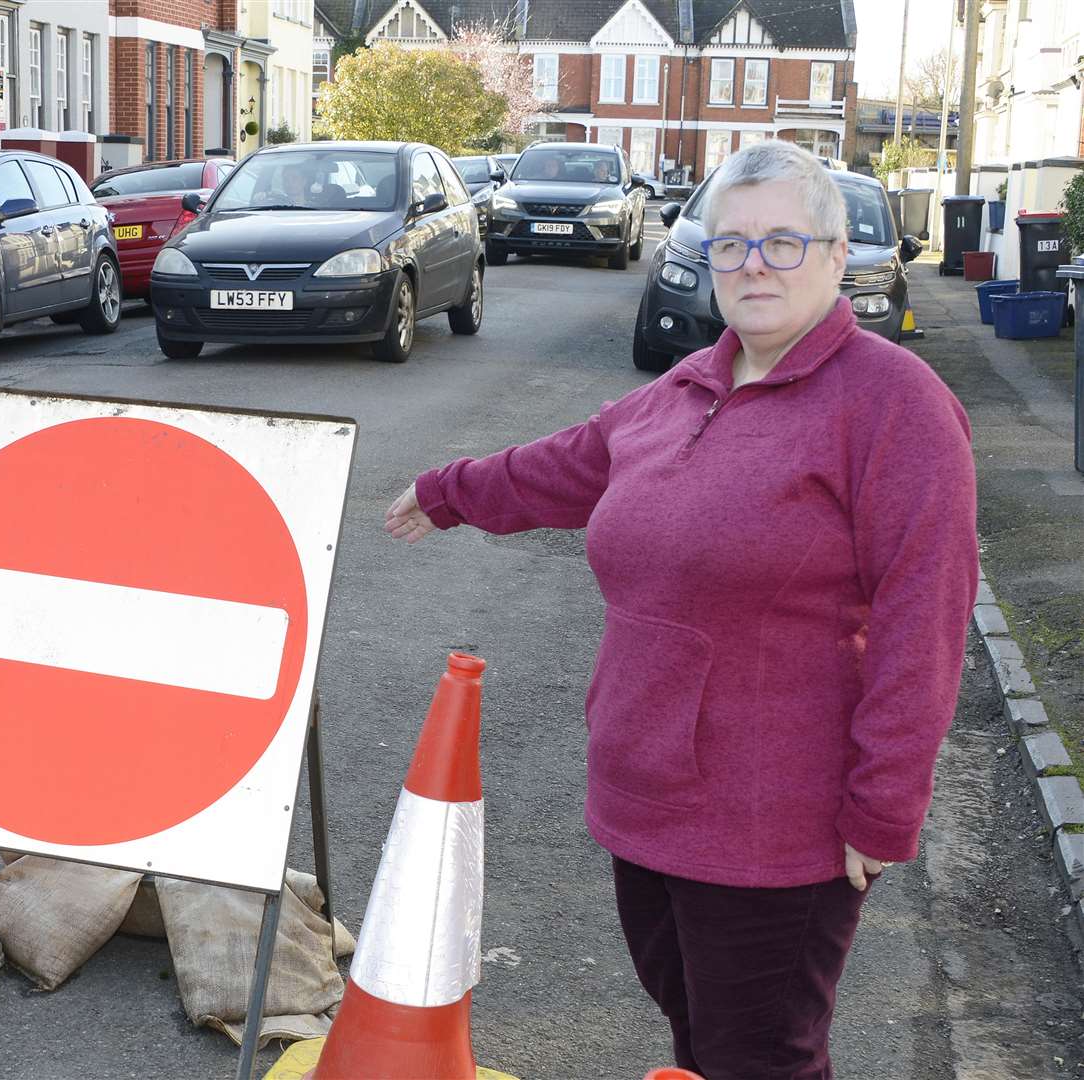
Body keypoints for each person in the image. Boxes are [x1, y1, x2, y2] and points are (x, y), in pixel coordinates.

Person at [384, 139, 977, 1080]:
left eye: (785, 242)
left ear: (836, 256)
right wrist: (451, 490)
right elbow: (571, 461)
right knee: (698, 1039)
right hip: (648, 793)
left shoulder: (895, 406)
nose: (754, 264)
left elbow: (926, 618)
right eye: (733, 242)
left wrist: (884, 805)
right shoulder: (692, 382)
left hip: (776, 819)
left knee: (760, 1057)